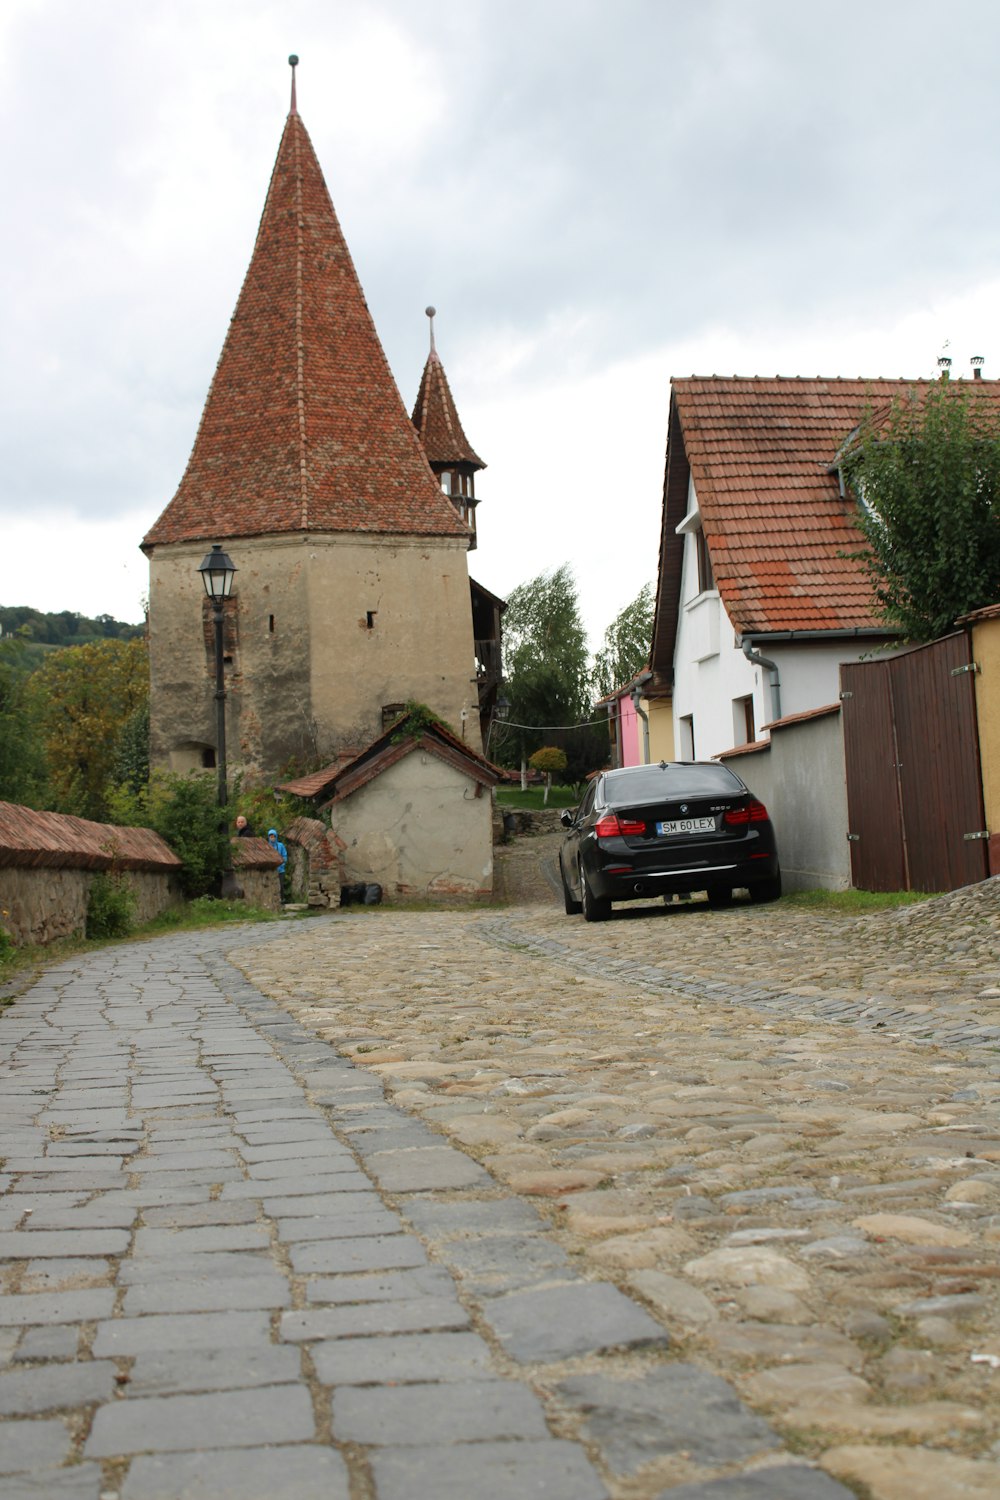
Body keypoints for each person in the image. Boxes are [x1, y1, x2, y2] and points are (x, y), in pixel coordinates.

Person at [267, 828, 288, 902]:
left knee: (280, 886)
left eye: (274, 836)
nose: (272, 838)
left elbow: (284, 856)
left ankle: (282, 900)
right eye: (271, 836)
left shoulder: (280, 845)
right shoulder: (267, 846)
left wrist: (282, 864)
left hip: (280, 870)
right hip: (271, 870)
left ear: (276, 837)